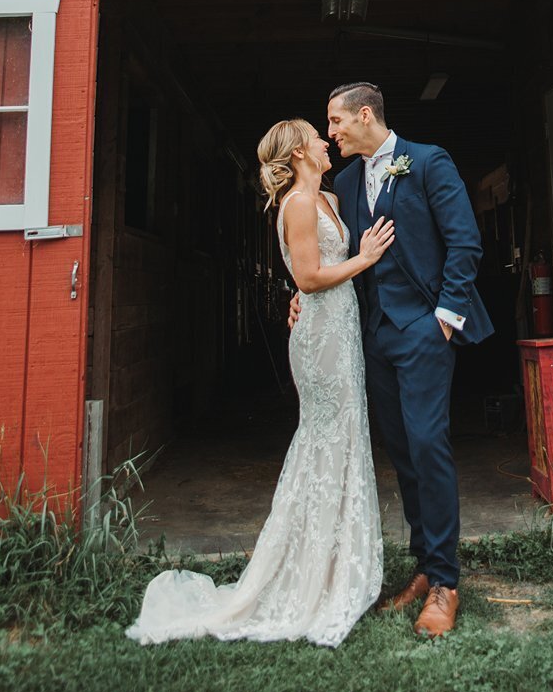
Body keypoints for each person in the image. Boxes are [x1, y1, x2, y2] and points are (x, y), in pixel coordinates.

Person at [126, 118, 395, 650]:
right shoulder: (297, 204)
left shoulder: (330, 200)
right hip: (319, 339)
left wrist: (344, 267)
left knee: (345, 439)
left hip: (341, 330)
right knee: (323, 440)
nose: (325, 141)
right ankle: (307, 574)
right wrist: (364, 260)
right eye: (316, 136)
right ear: (298, 153)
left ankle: (334, 565)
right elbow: (308, 278)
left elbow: (317, 271)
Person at [317, 81, 493, 638]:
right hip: (376, 336)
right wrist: (303, 295)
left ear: (365, 115)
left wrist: (445, 317)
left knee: (427, 443)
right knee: (402, 451)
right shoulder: (347, 181)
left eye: (336, 121)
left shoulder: (428, 161)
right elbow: (330, 251)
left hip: (423, 329)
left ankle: (445, 583)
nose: (331, 132)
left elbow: (465, 242)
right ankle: (424, 567)